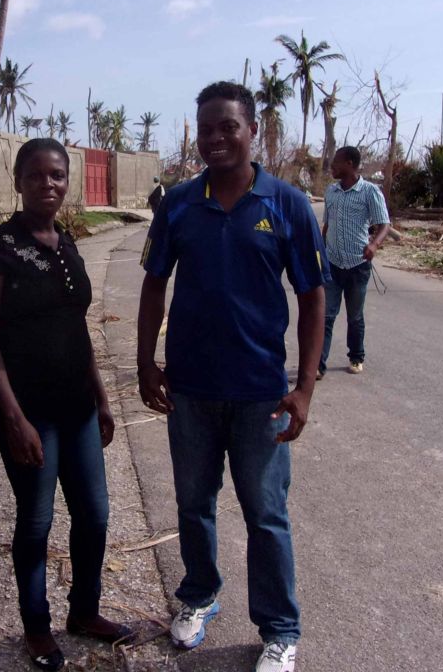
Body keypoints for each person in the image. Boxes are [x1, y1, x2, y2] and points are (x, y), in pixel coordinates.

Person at [136, 81, 328, 672]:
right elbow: (153, 285)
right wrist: (146, 363)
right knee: (194, 504)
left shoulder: (287, 204)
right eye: (206, 129)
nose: (216, 138)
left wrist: (304, 388)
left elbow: (313, 297)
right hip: (191, 391)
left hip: (260, 395)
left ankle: (280, 630)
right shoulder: (178, 204)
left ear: (252, 131)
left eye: (228, 127)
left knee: (266, 514)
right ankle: (199, 596)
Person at [0, 138, 132, 671]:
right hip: (29, 412)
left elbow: (76, 329)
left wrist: (101, 398)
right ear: (18, 181)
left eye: (57, 175)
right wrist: (11, 416)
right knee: (37, 521)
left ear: (67, 181)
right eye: (36, 175)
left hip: (77, 408)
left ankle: (84, 611)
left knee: (95, 514)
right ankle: (36, 628)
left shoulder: (68, 244)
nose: (48, 184)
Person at [318, 145, 390, 378]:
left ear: (349, 164)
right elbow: (327, 225)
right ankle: (319, 364)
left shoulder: (369, 191)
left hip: (357, 265)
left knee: (355, 316)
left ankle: (356, 357)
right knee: (326, 315)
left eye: (336, 162)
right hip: (332, 263)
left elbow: (384, 224)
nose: (332, 166)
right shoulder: (331, 192)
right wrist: (320, 250)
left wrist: (374, 245)